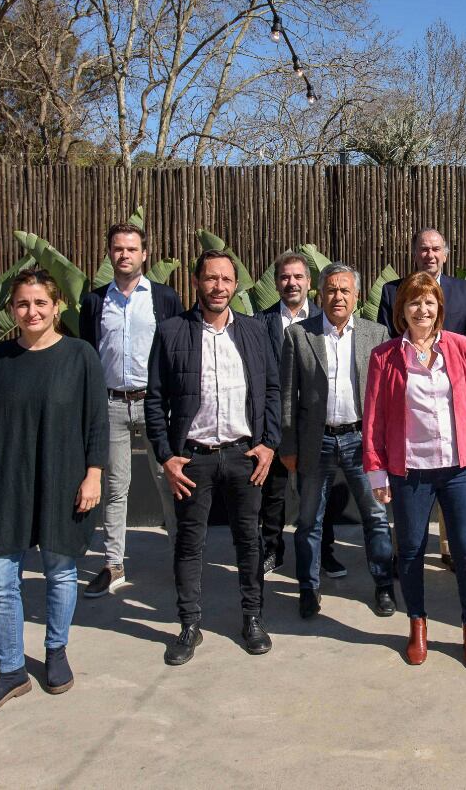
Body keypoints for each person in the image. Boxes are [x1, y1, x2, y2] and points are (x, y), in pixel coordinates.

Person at [0, 269, 108, 717]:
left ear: (57, 306)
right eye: (23, 304)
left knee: (60, 571)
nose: (32, 311)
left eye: (40, 302)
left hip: (63, 479)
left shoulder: (80, 356)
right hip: (6, 480)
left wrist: (94, 475)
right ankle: (10, 670)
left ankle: (56, 649)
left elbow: (96, 421)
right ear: (12, 309)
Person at [145, 249, 280, 665]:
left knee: (249, 541)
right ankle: (189, 624)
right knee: (189, 544)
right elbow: (154, 400)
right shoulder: (172, 332)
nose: (218, 287)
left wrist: (269, 443)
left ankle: (253, 618)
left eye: (226, 279)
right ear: (196, 282)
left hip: (244, 456)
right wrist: (166, 456)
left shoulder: (254, 331)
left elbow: (272, 390)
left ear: (235, 285)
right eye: (210, 278)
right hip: (193, 459)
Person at [363, 272, 466, 668]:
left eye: (429, 301)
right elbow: (374, 419)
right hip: (410, 471)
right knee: (410, 551)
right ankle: (417, 625)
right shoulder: (384, 356)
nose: (422, 309)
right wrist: (377, 472)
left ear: (440, 306)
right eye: (413, 302)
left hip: (459, 467)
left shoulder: (463, 348)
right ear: (401, 310)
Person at [280, 263, 394, 619]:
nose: (338, 296)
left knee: (376, 517)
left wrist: (386, 446)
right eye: (331, 290)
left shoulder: (376, 334)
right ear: (319, 295)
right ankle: (308, 588)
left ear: (357, 296)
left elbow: (387, 396)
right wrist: (288, 446)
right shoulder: (299, 335)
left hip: (362, 441)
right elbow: (288, 396)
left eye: (345, 290)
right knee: (309, 521)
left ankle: (384, 585)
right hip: (317, 441)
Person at [79, 222, 183, 598]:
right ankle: (113, 564)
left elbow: (178, 351)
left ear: (144, 254)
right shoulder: (95, 302)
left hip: (154, 404)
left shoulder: (164, 298)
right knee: (115, 487)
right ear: (110, 253)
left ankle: (183, 558)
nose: (124, 254)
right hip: (111, 404)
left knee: (169, 481)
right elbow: (88, 353)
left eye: (131, 248)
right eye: (118, 248)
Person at [377, 229, 466, 569]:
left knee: (452, 483)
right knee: (410, 494)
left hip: (451, 400)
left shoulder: (465, 291)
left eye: (436, 249)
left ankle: (449, 548)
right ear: (414, 253)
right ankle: (406, 550)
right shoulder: (393, 291)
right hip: (409, 402)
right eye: (423, 249)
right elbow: (386, 342)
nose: (430, 255)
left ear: (445, 254)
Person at [258, 251, 341, 577]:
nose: (291, 283)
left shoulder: (326, 320)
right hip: (274, 422)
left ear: (309, 282)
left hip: (315, 424)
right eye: (284, 277)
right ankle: (272, 550)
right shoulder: (260, 323)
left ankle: (324, 552)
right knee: (273, 494)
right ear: (276, 283)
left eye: (297, 277)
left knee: (319, 494)